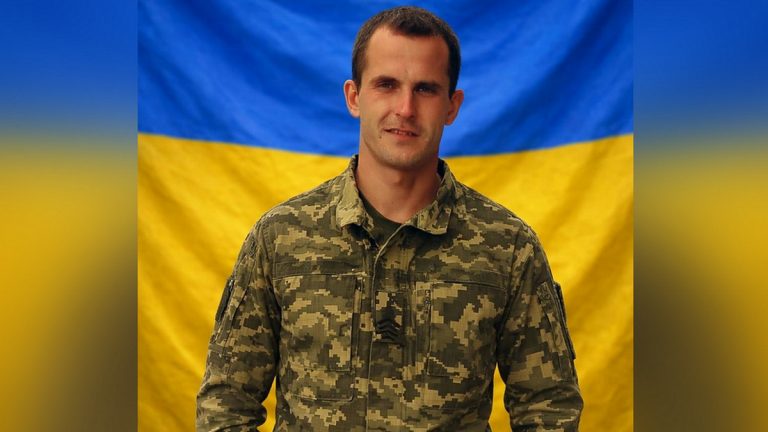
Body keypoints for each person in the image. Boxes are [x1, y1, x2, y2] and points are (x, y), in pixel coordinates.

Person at [197, 6, 582, 431]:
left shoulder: (507, 246)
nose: (405, 108)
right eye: (386, 85)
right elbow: (225, 405)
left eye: (426, 89)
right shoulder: (280, 238)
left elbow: (549, 408)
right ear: (354, 97)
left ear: (452, 106)